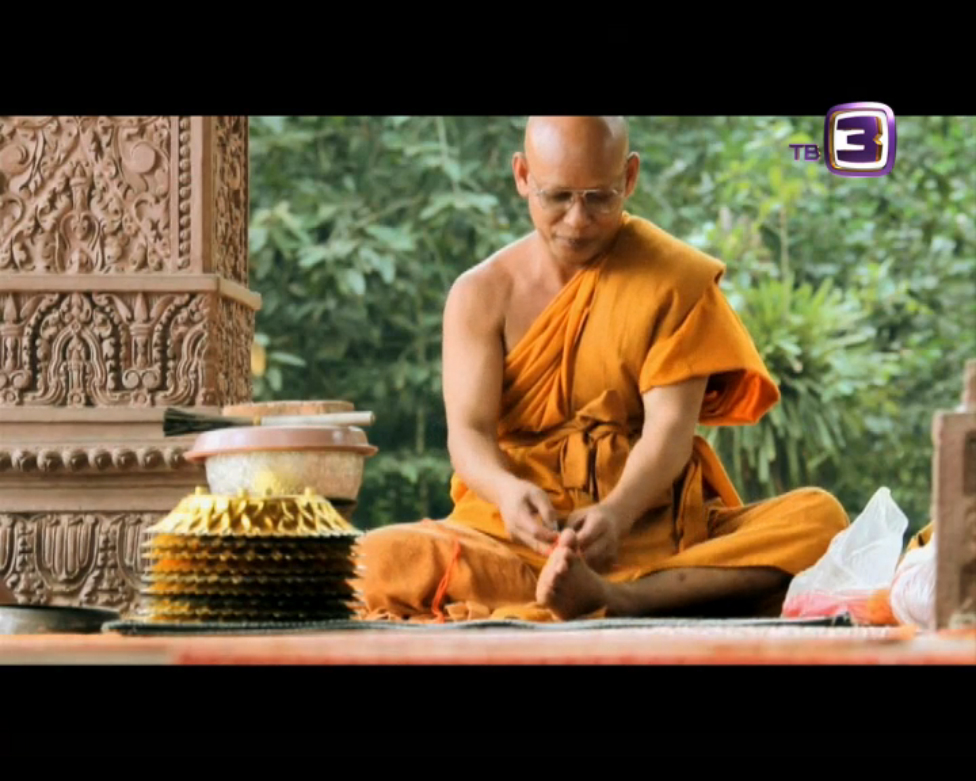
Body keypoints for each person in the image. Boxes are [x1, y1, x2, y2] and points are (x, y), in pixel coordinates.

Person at [354, 116, 849, 622]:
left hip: (650, 531)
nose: (578, 220)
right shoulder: (481, 294)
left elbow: (669, 432)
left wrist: (618, 512)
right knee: (371, 561)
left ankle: (621, 598)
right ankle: (604, 592)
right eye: (557, 197)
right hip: (512, 536)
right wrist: (507, 493)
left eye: (599, 198)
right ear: (522, 176)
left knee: (818, 519)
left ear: (629, 178)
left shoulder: (672, 279)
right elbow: (469, 433)